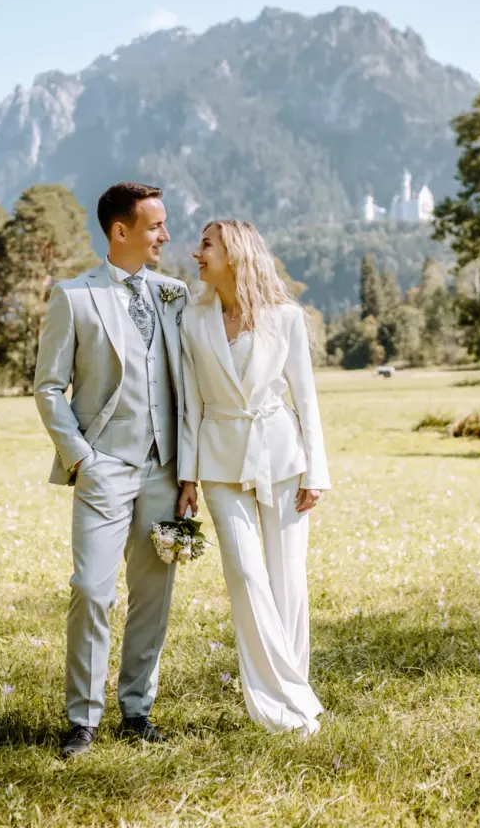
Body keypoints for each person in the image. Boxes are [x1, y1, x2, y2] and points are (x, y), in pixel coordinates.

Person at [33, 181, 192, 759]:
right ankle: (83, 718)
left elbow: (190, 387)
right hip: (104, 467)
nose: (165, 236)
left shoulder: (175, 294)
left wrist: (189, 473)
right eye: (155, 226)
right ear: (120, 230)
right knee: (91, 589)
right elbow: (49, 388)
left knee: (154, 593)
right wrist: (82, 459)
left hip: (166, 470)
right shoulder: (73, 297)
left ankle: (137, 710)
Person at [177, 219, 328, 736]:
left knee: (288, 579)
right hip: (218, 460)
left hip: (284, 459)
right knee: (245, 576)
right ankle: (285, 700)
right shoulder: (192, 319)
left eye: (205, 245)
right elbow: (191, 403)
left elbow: (305, 398)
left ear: (235, 253)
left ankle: (290, 699)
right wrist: (187, 477)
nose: (196, 253)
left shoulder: (284, 317)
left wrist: (317, 471)